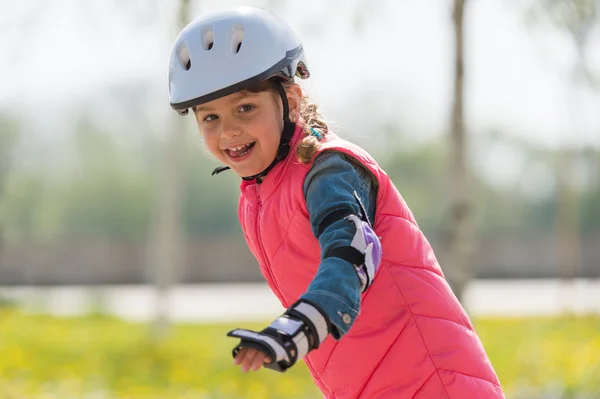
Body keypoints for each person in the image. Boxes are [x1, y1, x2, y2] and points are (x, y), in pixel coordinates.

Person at [168, 6, 505, 399]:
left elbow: (352, 254)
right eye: (209, 118)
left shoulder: (329, 169)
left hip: (433, 384)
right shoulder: (259, 196)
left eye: (246, 108)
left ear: (291, 101)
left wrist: (298, 328)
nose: (228, 130)